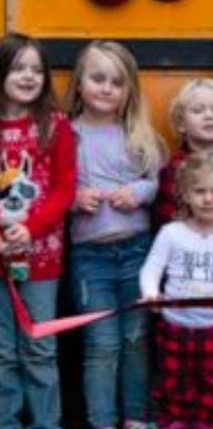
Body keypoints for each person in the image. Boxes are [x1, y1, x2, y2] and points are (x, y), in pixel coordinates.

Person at [0, 32, 76, 429]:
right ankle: (4, 421)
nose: (29, 76)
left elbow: (65, 187)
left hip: (41, 259)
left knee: (39, 347)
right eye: (18, 68)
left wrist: (31, 227)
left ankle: (47, 422)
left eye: (36, 69)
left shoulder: (55, 126)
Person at [62, 41, 162, 429]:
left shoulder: (135, 133)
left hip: (137, 251)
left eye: (117, 83)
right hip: (91, 258)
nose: (106, 88)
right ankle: (101, 422)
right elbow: (52, 188)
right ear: (80, 84)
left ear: (128, 91)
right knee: (101, 345)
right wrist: (74, 198)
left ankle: (136, 419)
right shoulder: (67, 135)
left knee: (135, 341)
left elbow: (153, 183)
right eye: (98, 79)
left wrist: (136, 192)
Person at [140, 151, 213, 427]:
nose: (208, 198)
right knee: (175, 385)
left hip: (212, 331)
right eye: (200, 191)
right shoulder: (171, 232)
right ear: (184, 193)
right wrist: (150, 293)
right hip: (175, 328)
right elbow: (151, 269)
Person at [156, 78, 213, 225]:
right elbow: (167, 218)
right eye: (198, 110)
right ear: (181, 123)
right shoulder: (173, 170)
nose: (209, 116)